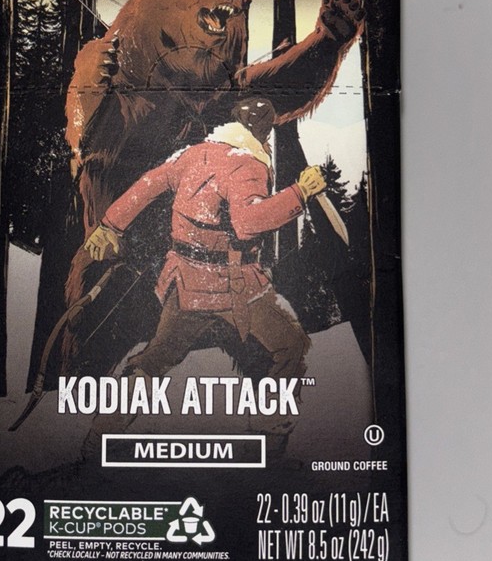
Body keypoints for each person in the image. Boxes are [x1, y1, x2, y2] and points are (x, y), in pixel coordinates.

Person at [81, 96, 328, 460]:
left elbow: (149, 183)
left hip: (187, 284)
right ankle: (271, 439)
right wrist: (300, 193)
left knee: (155, 359)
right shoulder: (248, 165)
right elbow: (248, 222)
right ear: (264, 133)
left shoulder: (194, 154)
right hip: (237, 287)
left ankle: (99, 437)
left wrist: (110, 225)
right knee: (291, 345)